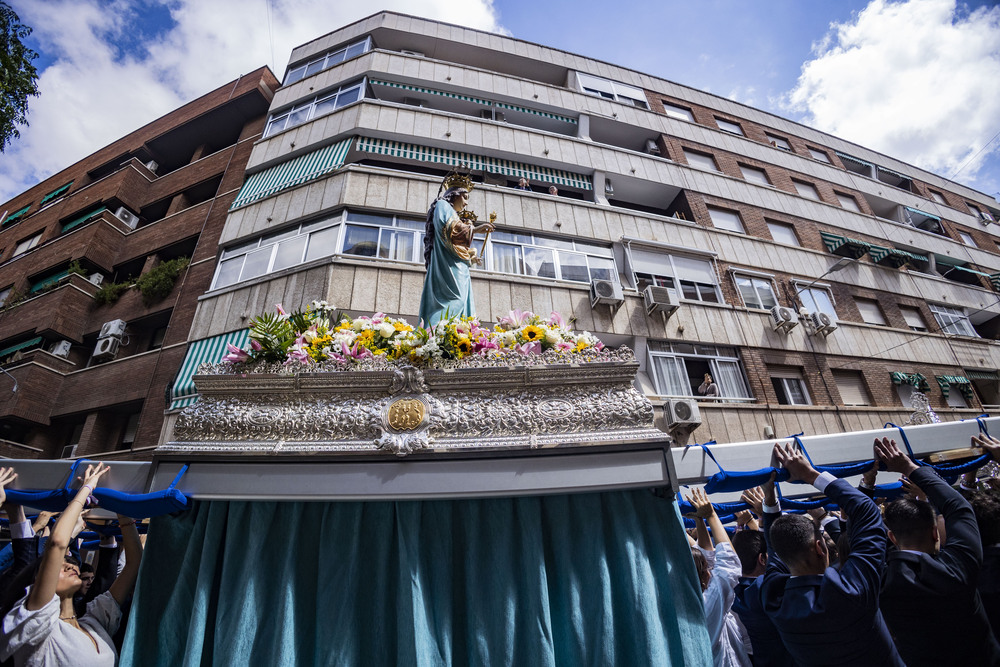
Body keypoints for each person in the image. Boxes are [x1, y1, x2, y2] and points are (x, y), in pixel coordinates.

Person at [760, 440, 903, 666]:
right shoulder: (851, 590)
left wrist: (769, 497)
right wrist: (809, 474)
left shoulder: (774, 600)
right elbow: (866, 510)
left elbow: (776, 550)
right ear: (820, 547)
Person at [1, 463, 143, 667]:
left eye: (70, 564)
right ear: (38, 581)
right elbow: (58, 543)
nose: (70, 566)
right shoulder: (39, 624)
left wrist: (121, 509)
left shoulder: (95, 623)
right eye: (59, 566)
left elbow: (134, 562)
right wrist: (86, 490)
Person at [877, 435, 1000, 666]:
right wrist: (909, 468)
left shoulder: (879, 584)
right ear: (935, 532)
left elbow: (860, 541)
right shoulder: (960, 569)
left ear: (892, 537)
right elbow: (959, 508)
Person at [418, 172, 495, 327]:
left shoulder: (452, 212)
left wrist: (470, 258)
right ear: (455, 194)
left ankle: (457, 335)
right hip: (449, 267)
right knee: (454, 300)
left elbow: (457, 244)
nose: (466, 203)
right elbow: (449, 230)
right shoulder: (442, 205)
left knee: (462, 300)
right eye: (465, 197)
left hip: (457, 266)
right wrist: (476, 229)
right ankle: (435, 335)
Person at [685, 487, 751, 667]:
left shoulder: (682, 603)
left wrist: (699, 519)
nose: (710, 570)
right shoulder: (707, 605)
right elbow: (727, 565)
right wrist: (711, 515)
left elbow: (707, 557)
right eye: (707, 569)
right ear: (703, 575)